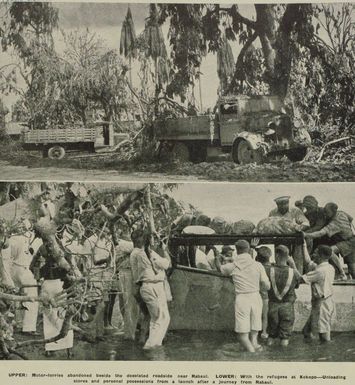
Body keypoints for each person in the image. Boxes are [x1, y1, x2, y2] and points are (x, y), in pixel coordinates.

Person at [216, 240, 270, 352]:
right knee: (254, 333)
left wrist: (217, 259)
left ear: (237, 250)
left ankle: (252, 354)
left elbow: (220, 269)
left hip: (242, 298)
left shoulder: (232, 266)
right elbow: (267, 285)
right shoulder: (258, 265)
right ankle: (254, 347)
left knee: (242, 335)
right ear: (248, 249)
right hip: (256, 296)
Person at [130, 229, 171, 350]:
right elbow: (167, 264)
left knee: (158, 318)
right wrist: (165, 250)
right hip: (153, 286)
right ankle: (151, 346)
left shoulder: (137, 252)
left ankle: (153, 344)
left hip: (148, 286)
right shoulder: (145, 253)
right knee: (160, 318)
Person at [304, 202, 354, 279]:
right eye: (324, 211)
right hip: (350, 240)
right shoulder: (341, 213)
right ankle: (342, 273)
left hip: (347, 242)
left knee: (330, 251)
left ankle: (342, 273)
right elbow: (350, 219)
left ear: (333, 211)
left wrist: (306, 235)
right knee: (352, 269)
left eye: (327, 212)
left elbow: (320, 233)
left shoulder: (335, 223)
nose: (325, 214)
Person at [298, 243, 335, 343]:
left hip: (321, 305)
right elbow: (308, 262)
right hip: (325, 302)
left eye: (315, 253)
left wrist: (292, 265)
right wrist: (304, 245)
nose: (313, 255)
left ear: (321, 255)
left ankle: (325, 354)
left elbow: (300, 280)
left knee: (324, 336)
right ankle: (312, 351)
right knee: (306, 331)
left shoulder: (320, 271)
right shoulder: (329, 268)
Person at [40, 256, 74, 357]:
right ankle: (68, 349)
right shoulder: (63, 261)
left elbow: (34, 270)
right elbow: (69, 274)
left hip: (47, 286)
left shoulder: (44, 265)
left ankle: (49, 349)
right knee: (63, 317)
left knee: (49, 317)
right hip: (60, 286)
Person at [10, 220, 39, 336]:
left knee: (17, 297)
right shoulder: (28, 237)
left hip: (12, 269)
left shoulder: (10, 239)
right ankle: (28, 327)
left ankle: (18, 323)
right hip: (24, 269)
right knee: (32, 298)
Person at [266, 245, 299, 347]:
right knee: (285, 336)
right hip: (287, 306)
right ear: (288, 256)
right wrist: (293, 264)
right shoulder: (293, 272)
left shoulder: (268, 270)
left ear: (276, 255)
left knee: (271, 335)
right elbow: (297, 284)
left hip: (272, 305)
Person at [269, 196, 309, 273]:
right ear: (277, 205)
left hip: (295, 238)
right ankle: (282, 275)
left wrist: (300, 227)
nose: (283, 206)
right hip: (280, 239)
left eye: (285, 204)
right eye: (280, 205)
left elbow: (306, 223)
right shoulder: (273, 212)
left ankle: (298, 276)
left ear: (288, 203)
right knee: (280, 257)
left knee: (297, 258)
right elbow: (270, 225)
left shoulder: (296, 211)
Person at [255, 245, 273, 340]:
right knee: (265, 316)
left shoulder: (257, 267)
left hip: (258, 294)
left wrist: (252, 248)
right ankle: (264, 333)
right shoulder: (272, 267)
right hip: (268, 295)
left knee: (257, 315)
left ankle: (258, 333)